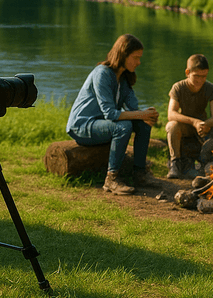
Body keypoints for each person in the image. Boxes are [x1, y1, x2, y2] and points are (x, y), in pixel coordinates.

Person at [66, 33, 159, 195]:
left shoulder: (123, 79)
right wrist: (140, 114)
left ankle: (139, 174)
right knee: (123, 126)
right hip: (82, 125)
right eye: (135, 58)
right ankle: (111, 180)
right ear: (123, 54)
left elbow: (134, 108)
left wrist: (148, 115)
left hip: (102, 125)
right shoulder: (102, 73)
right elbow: (110, 113)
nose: (139, 62)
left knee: (142, 125)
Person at [165, 54, 213, 179]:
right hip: (185, 126)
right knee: (171, 125)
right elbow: (171, 114)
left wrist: (206, 124)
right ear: (187, 72)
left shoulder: (211, 88)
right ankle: (175, 163)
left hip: (203, 128)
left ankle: (205, 158)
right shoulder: (178, 87)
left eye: (204, 76)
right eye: (196, 76)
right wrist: (194, 122)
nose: (200, 80)